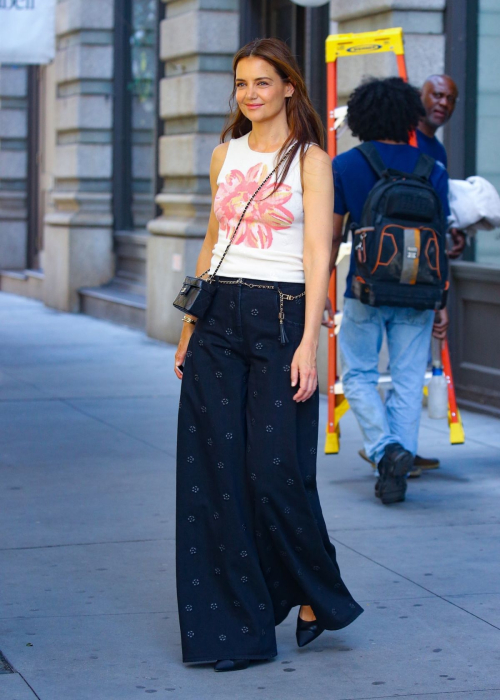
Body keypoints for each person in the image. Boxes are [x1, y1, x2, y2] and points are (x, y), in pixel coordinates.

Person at [174, 38, 362, 672]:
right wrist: (188, 328)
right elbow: (212, 239)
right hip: (219, 318)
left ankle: (315, 593)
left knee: (274, 474)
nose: (250, 94)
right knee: (215, 479)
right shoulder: (223, 154)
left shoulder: (310, 159)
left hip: (283, 319)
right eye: (240, 84)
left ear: (288, 87)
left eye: (262, 82)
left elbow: (317, 257)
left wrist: (310, 341)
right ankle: (236, 631)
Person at [331, 77, 451, 505]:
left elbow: (330, 238)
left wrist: (322, 288)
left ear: (361, 118)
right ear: (408, 117)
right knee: (405, 380)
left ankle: (386, 451)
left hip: (364, 289)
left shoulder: (345, 165)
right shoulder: (432, 170)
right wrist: (442, 301)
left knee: (358, 374)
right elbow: (440, 237)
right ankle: (394, 473)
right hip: (420, 293)